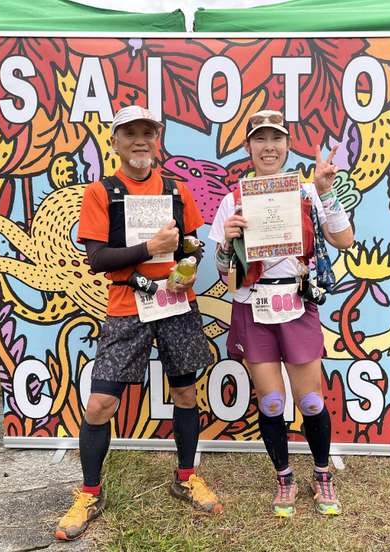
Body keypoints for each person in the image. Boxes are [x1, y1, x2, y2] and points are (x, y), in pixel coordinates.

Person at [55, 105, 222, 541]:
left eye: (148, 132)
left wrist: (187, 264)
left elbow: (192, 245)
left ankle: (185, 477)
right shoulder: (102, 192)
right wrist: (151, 247)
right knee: (100, 405)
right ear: (115, 142)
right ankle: (90, 493)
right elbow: (97, 259)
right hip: (127, 305)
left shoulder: (175, 190)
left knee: (185, 393)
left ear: (157, 140)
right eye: (130, 133)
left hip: (176, 303)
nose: (140, 140)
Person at [209, 109, 354, 517]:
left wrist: (326, 191)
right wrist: (227, 243)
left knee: (310, 401)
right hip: (253, 306)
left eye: (276, 139)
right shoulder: (233, 200)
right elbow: (225, 276)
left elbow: (344, 239)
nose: (268, 147)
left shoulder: (306, 192)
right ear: (248, 146)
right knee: (272, 402)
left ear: (288, 146)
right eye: (260, 139)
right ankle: (284, 478)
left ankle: (322, 474)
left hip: (296, 304)